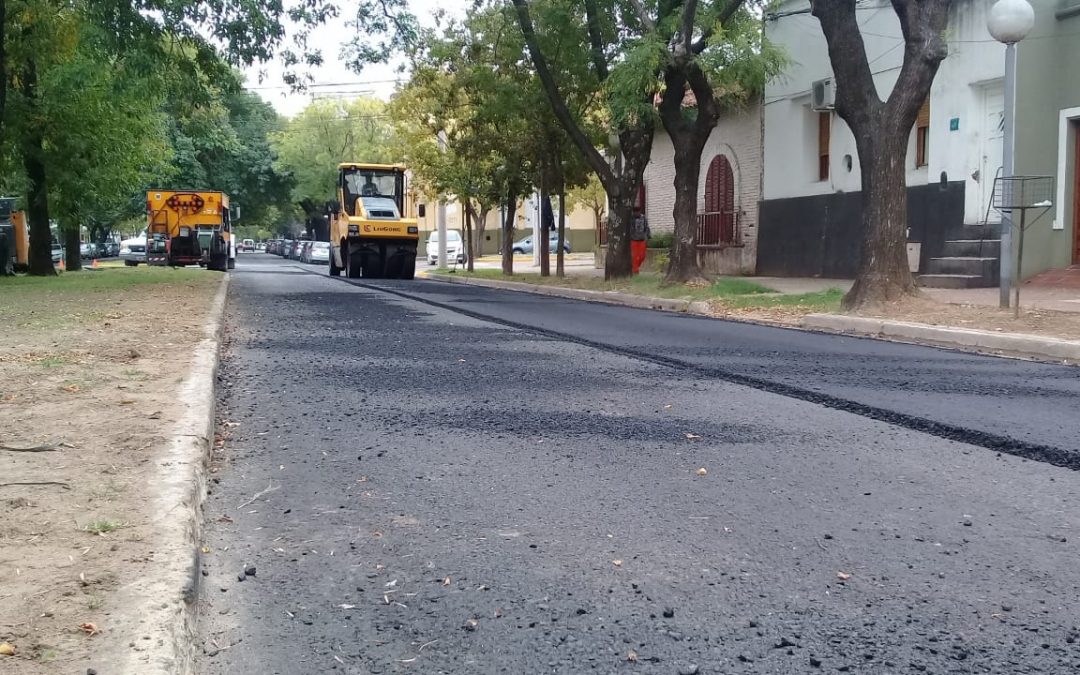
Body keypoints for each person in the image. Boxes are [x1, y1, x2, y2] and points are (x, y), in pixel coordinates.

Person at [629, 206, 650, 274]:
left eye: (637, 212)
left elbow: (646, 227)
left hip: (642, 240)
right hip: (633, 240)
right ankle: (635, 271)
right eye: (635, 212)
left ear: (640, 212)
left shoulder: (643, 218)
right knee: (634, 257)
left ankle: (635, 267)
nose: (636, 214)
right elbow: (629, 229)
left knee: (642, 256)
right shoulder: (631, 219)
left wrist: (647, 236)